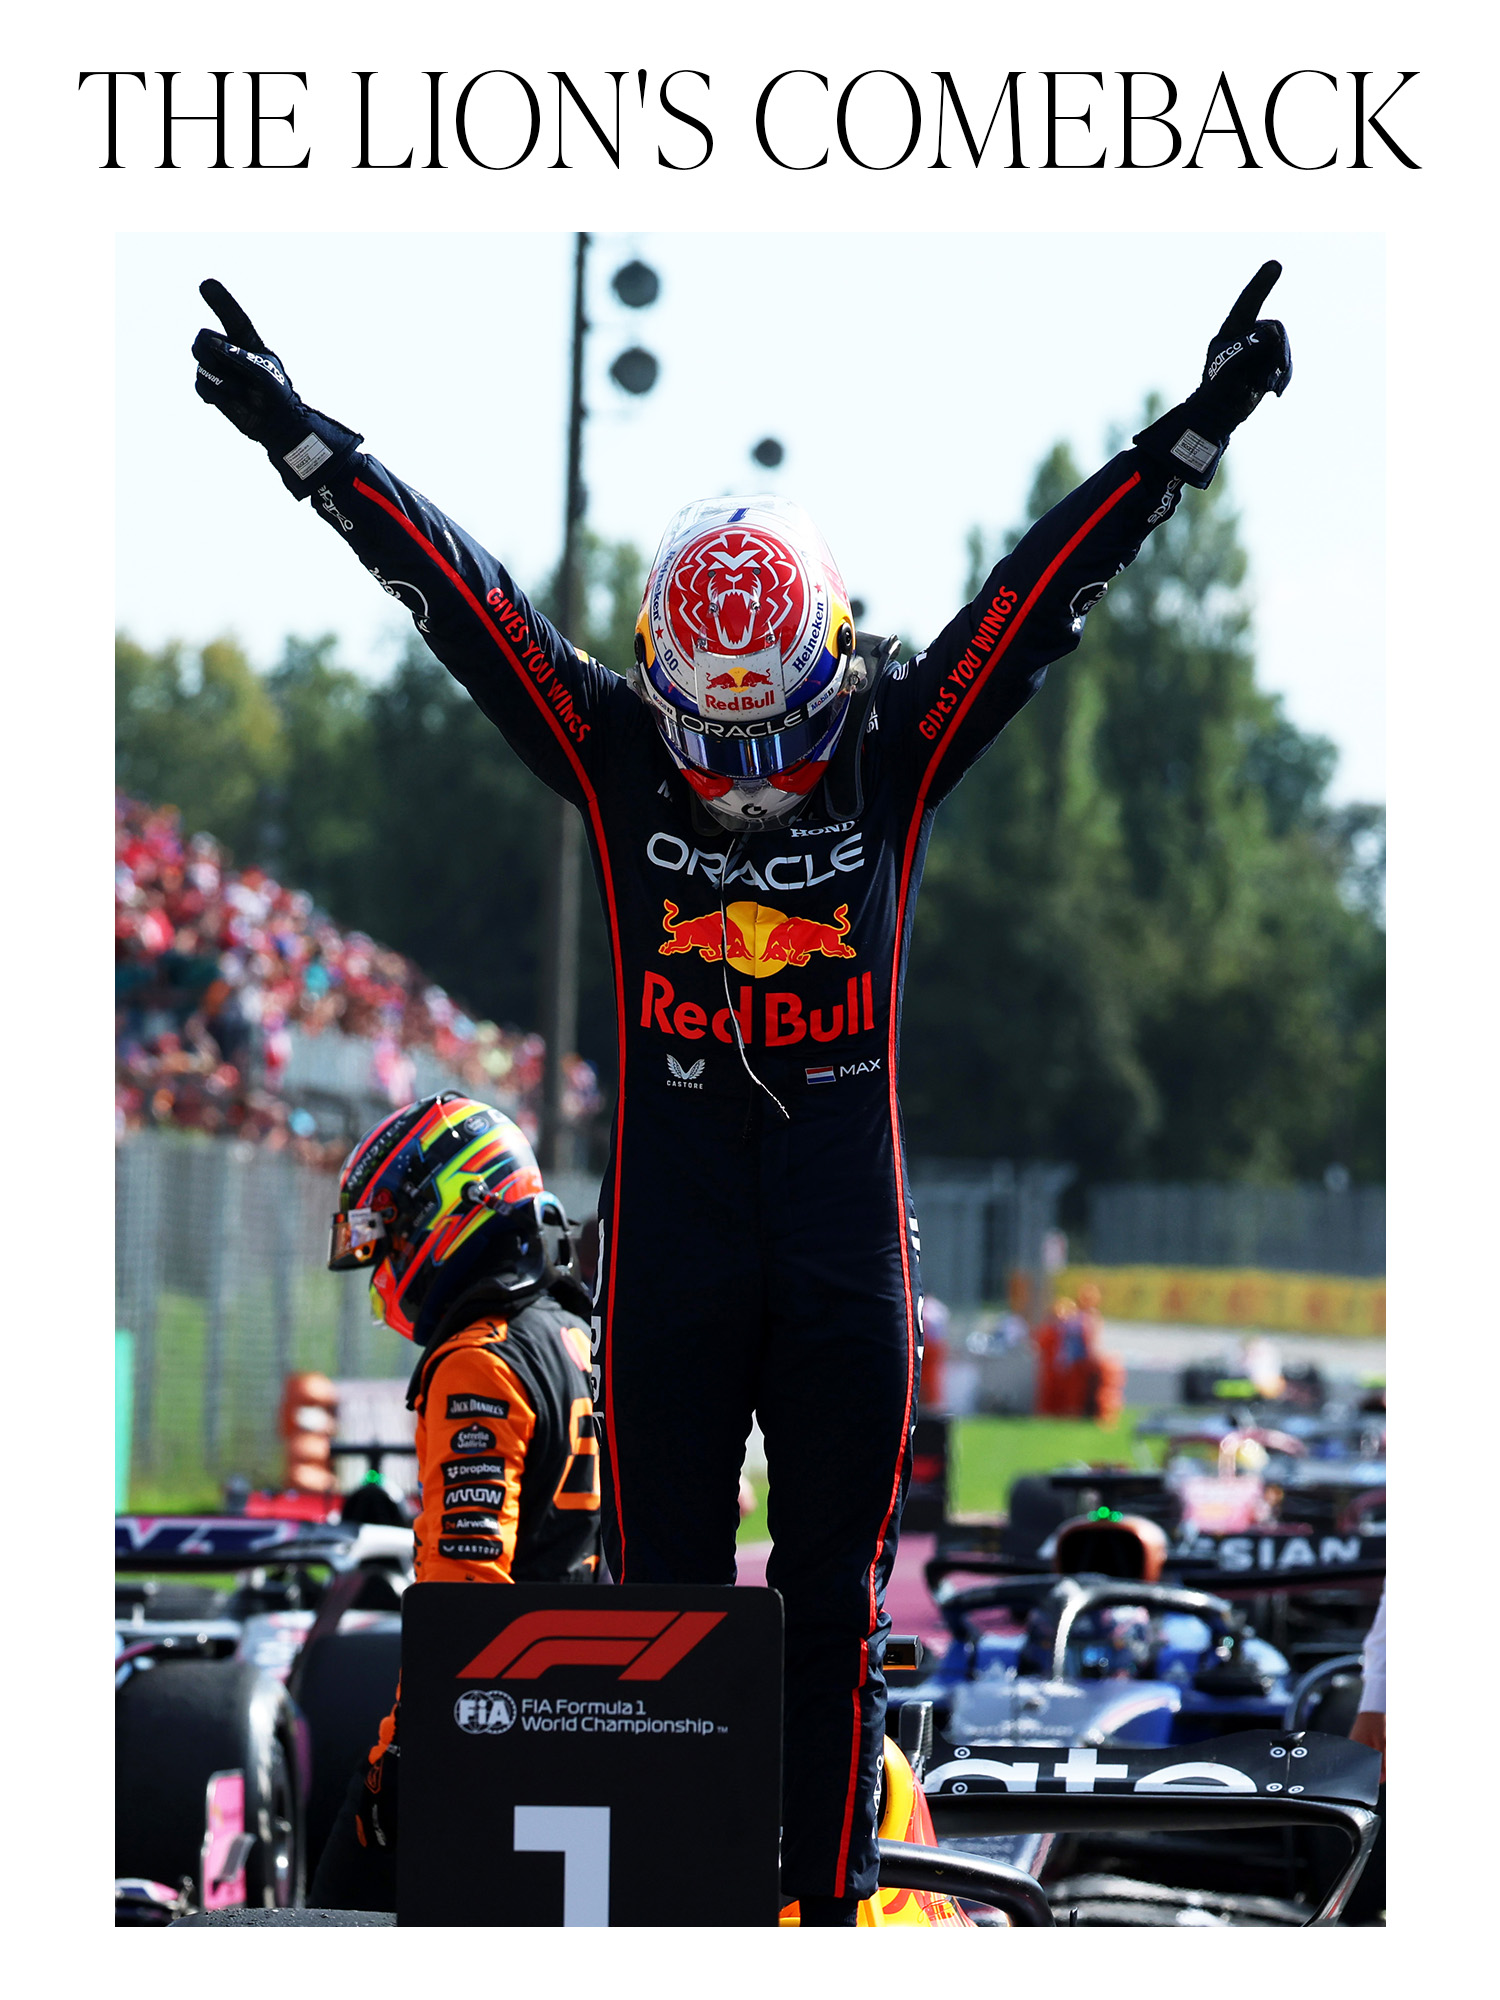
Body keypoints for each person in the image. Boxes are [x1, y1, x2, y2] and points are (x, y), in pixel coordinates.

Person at [193, 264, 1292, 1922]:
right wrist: (306, 443)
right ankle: (678, 1928)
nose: (746, 782)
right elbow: (459, 595)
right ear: (659, 686)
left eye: (774, 740)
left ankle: (827, 1918)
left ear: (832, 667)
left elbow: (1035, 598)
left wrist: (1186, 440)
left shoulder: (898, 742)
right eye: (713, 744)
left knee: (839, 1600)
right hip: (677, 1255)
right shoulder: (620, 745)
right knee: (662, 1605)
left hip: (848, 1247)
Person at [308, 1092, 601, 1912]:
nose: (385, 1270)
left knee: (329, 1913)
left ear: (457, 1207)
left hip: (506, 1735)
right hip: (623, 1713)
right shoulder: (587, 1338)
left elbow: (463, 1612)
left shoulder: (480, 1361)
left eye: (391, 1237)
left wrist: (397, 1765)